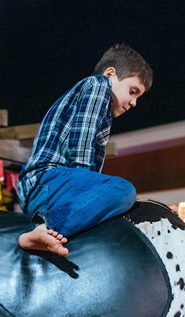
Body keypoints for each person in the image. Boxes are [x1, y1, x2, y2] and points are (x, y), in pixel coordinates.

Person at [16, 44, 152, 256]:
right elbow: (82, 142)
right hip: (49, 180)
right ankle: (48, 229)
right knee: (123, 191)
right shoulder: (99, 85)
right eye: (132, 91)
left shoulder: (101, 107)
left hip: (45, 191)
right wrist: (88, 186)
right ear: (110, 74)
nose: (133, 103)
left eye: (138, 98)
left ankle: (47, 224)